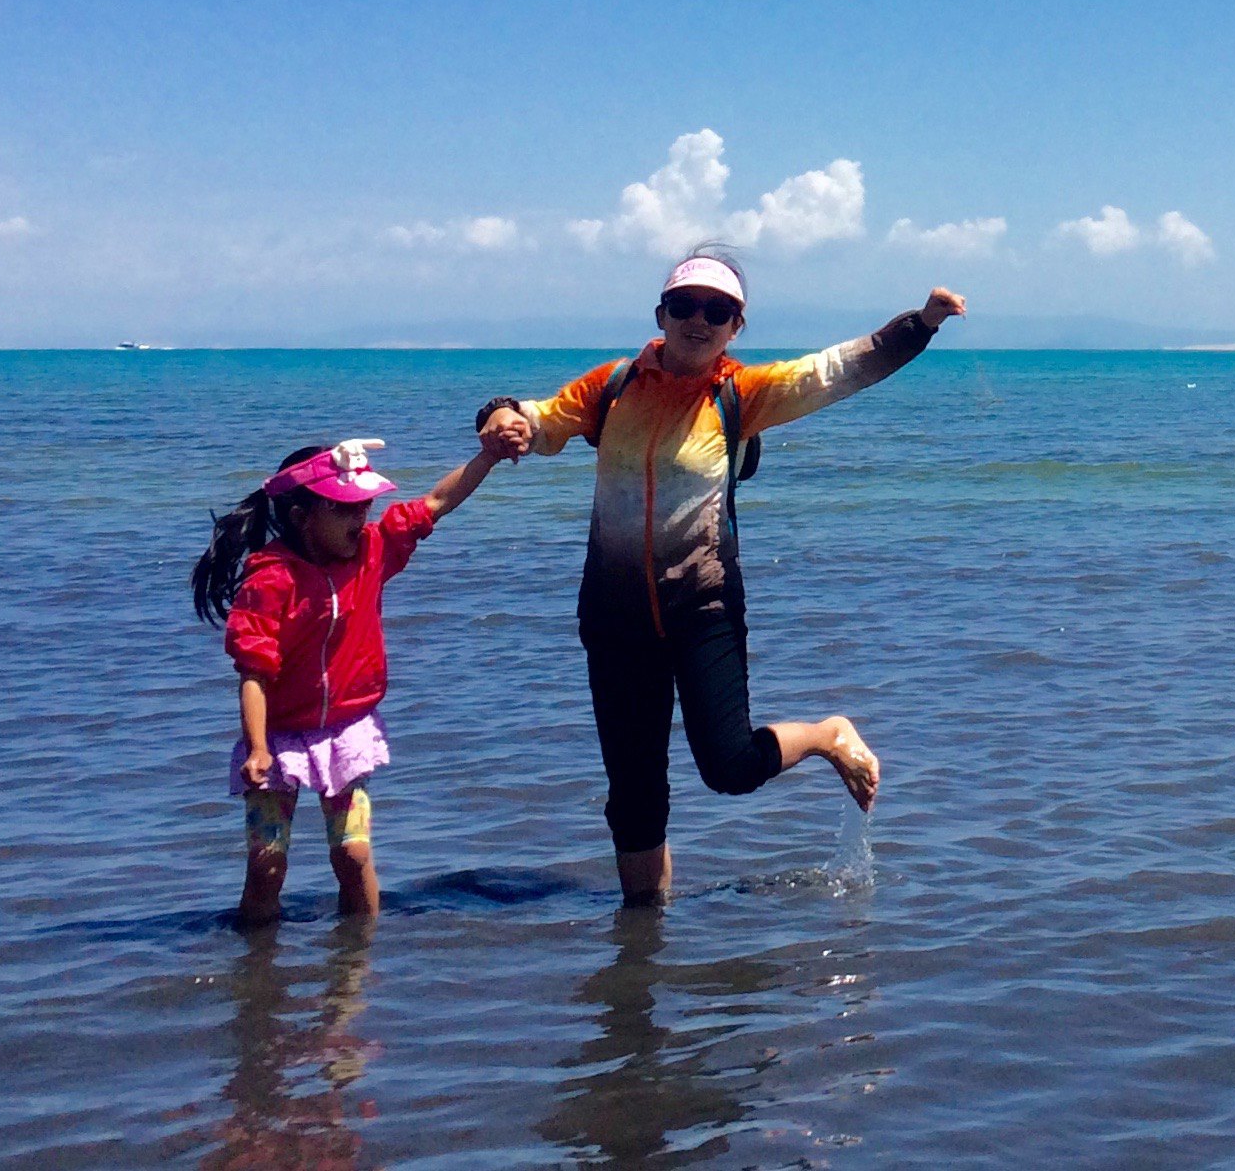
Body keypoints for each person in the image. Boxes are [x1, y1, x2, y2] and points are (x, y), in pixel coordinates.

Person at [478, 248, 965, 904]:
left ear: (736, 327)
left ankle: (826, 735)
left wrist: (920, 324)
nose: (698, 320)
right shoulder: (613, 388)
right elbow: (540, 419)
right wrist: (501, 416)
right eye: (685, 306)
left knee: (730, 768)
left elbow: (841, 369)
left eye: (718, 310)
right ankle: (641, 946)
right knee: (634, 794)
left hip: (702, 609)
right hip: (614, 617)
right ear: (662, 314)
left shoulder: (743, 394)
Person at [191, 427, 509, 924]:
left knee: (353, 857)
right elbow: (253, 672)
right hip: (277, 739)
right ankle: (256, 975)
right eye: (343, 509)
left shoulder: (372, 551)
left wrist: (487, 457)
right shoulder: (271, 577)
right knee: (267, 865)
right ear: (301, 517)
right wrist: (256, 747)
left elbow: (437, 501)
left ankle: (356, 973)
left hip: (345, 733)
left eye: (363, 507)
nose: (359, 519)